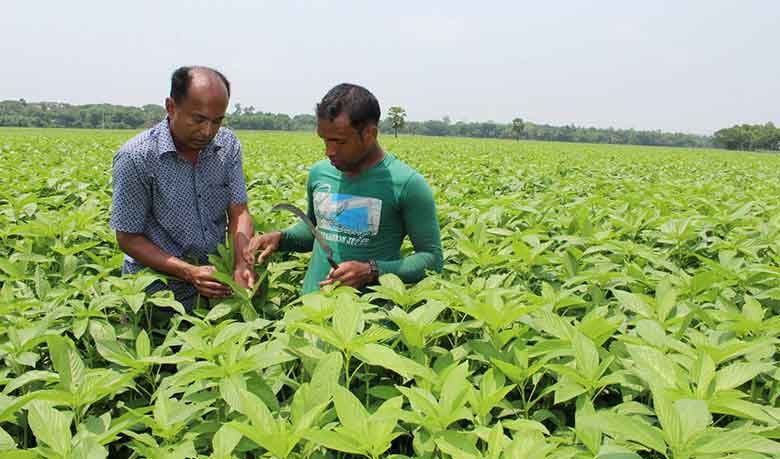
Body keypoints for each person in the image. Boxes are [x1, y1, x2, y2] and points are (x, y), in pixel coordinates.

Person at [245, 83, 443, 294]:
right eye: (325, 140)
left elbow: (432, 258)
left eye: (339, 142)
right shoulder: (320, 173)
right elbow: (316, 229)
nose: (329, 151)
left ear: (369, 134)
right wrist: (282, 238)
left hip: (367, 317)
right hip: (312, 310)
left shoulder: (407, 184)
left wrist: (372, 270)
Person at [110, 66, 255, 309]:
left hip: (215, 284)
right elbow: (128, 237)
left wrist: (242, 263)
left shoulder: (228, 145)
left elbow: (239, 211)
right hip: (155, 293)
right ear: (171, 107)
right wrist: (189, 272)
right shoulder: (136, 157)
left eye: (217, 121)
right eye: (198, 119)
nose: (208, 131)